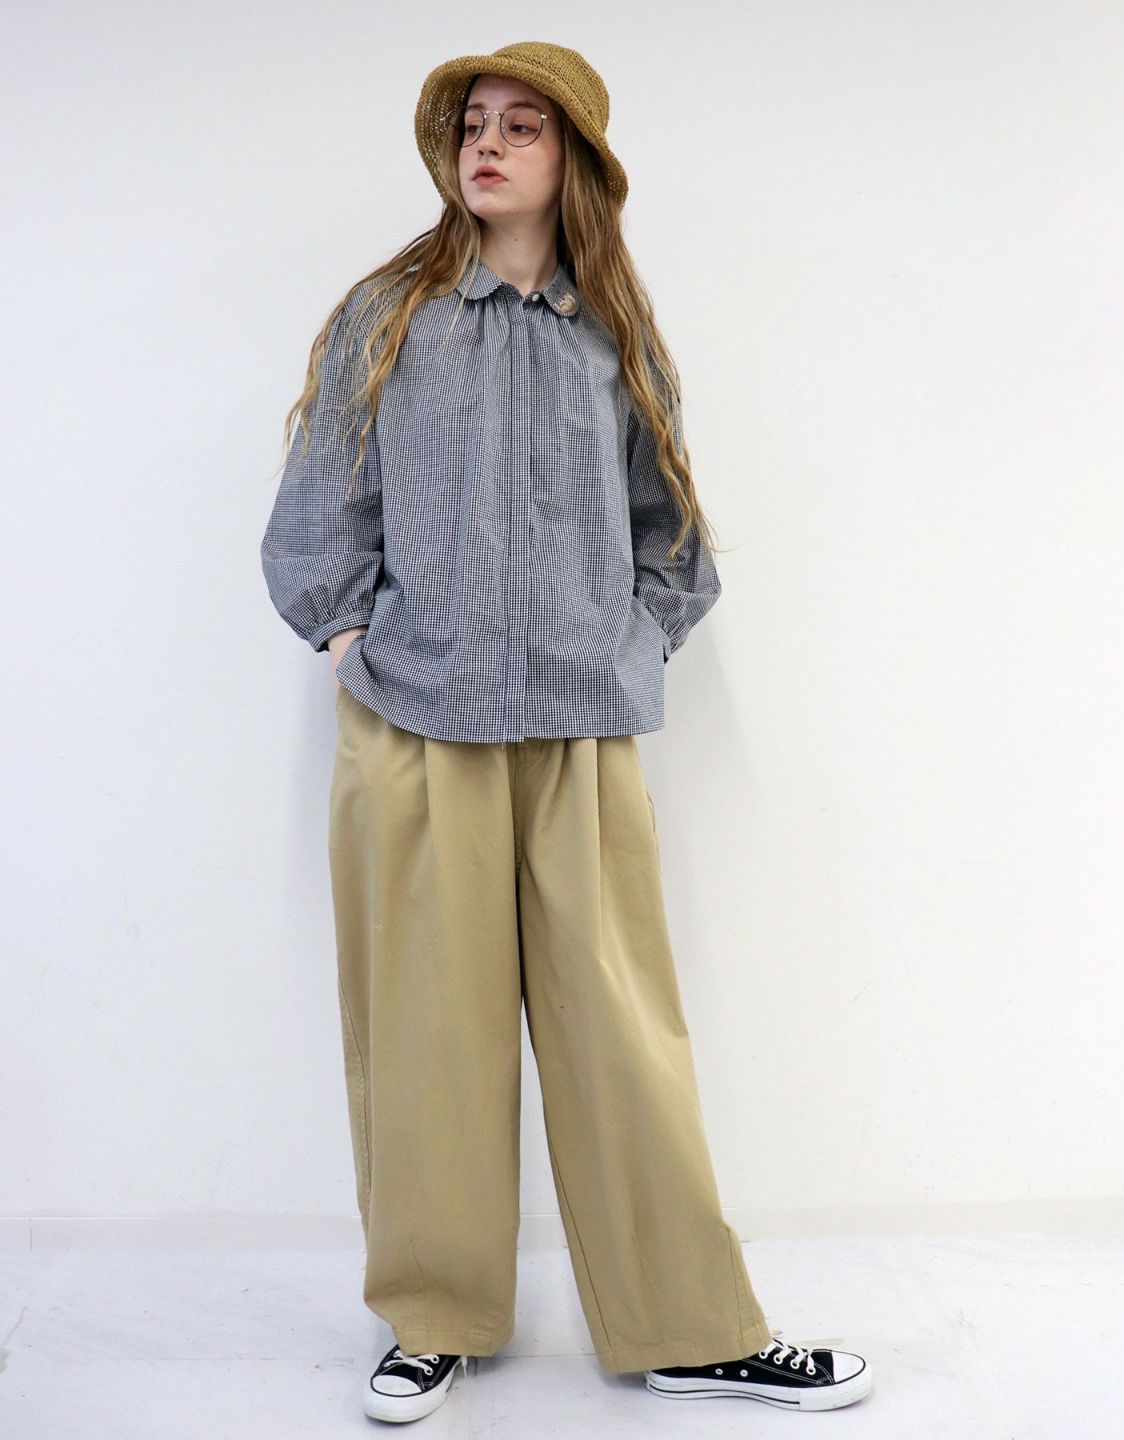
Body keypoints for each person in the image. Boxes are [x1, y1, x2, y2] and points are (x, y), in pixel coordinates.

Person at [260, 40, 873, 1426]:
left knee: (623, 1039)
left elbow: (673, 530)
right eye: (472, 124)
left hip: (584, 737)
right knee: (427, 1042)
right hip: (418, 727)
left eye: (521, 126)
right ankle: (432, 1320)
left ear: (576, 160)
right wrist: (354, 639)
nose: (486, 145)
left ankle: (689, 1326)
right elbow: (315, 508)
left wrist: (632, 637)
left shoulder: (614, 333)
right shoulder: (388, 317)